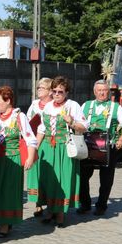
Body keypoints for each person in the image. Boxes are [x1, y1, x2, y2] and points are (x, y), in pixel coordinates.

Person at [0, 86, 37, 237]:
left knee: (8, 191)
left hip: (13, 160)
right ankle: (1, 219)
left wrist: (30, 158)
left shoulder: (19, 116)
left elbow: (30, 139)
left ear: (8, 101)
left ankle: (5, 224)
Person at [36, 76, 87, 227]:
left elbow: (84, 127)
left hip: (64, 148)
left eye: (60, 91)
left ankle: (60, 214)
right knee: (49, 180)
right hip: (48, 147)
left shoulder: (73, 105)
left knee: (63, 180)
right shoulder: (48, 106)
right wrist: (35, 149)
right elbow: (42, 129)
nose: (57, 94)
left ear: (67, 92)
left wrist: (71, 122)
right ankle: (50, 210)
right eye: (54, 91)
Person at [78, 80, 122, 216]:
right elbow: (78, 122)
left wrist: (121, 140)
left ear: (109, 92)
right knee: (82, 176)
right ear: (94, 92)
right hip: (88, 146)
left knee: (106, 179)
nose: (102, 93)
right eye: (99, 90)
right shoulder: (86, 105)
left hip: (108, 147)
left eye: (105, 90)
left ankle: (101, 205)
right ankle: (85, 204)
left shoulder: (115, 107)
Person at [26, 77, 52, 217]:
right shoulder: (34, 104)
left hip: (47, 142)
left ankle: (50, 203)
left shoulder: (53, 105)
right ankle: (38, 203)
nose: (39, 90)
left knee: (47, 173)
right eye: (38, 88)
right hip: (34, 142)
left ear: (50, 91)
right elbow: (28, 120)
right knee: (35, 172)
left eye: (42, 88)